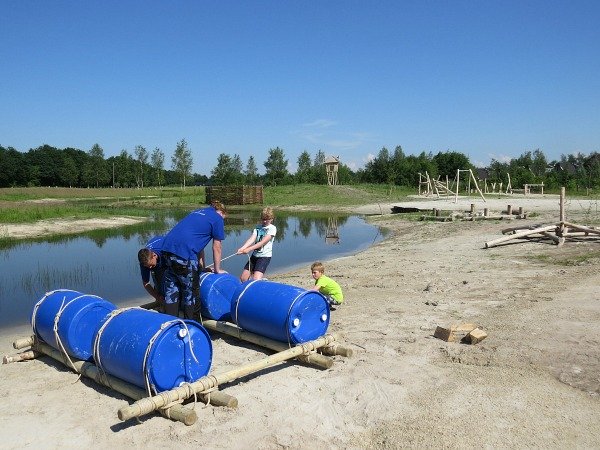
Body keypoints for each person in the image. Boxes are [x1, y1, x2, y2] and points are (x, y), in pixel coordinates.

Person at [161, 200, 227, 319]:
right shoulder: (217, 218)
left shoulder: (196, 212)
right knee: (191, 293)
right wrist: (217, 270)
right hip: (183, 256)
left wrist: (201, 267)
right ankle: (193, 327)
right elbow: (217, 247)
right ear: (222, 212)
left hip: (166, 251)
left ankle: (171, 324)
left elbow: (197, 243)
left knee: (172, 292)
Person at [237, 207, 277, 282]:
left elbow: (262, 242)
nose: (264, 221)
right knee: (243, 278)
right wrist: (242, 248)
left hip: (264, 257)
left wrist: (248, 249)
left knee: (256, 280)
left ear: (271, 219)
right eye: (263, 219)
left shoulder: (272, 228)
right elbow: (252, 239)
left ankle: (262, 282)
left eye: (267, 219)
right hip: (254, 256)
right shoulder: (258, 227)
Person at [137, 235, 166, 310]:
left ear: (154, 256)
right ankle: (161, 302)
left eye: (151, 265)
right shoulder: (144, 262)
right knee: (157, 280)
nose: (149, 268)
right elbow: (146, 283)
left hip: (165, 250)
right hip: (157, 258)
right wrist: (157, 296)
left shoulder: (165, 252)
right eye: (147, 267)